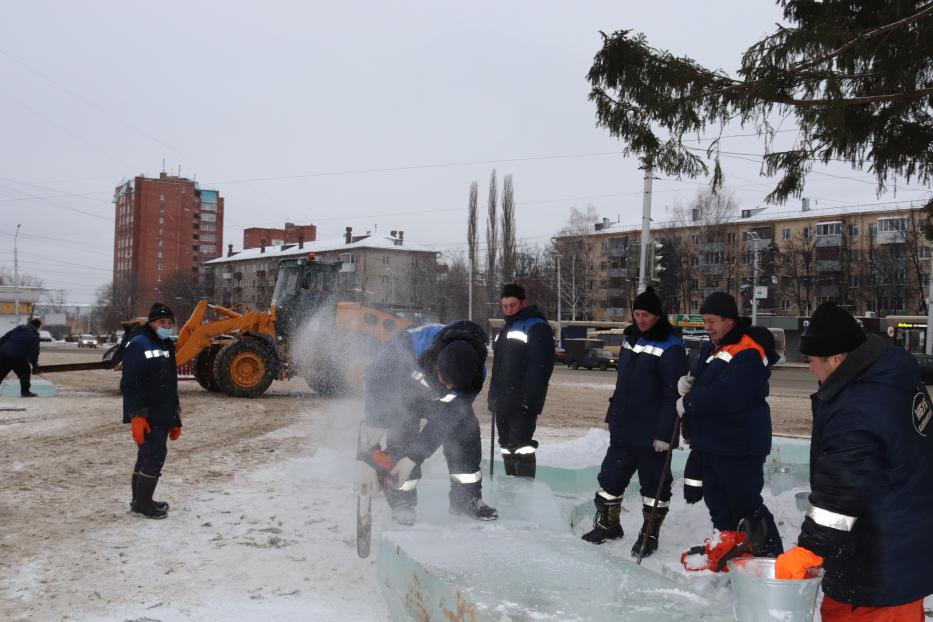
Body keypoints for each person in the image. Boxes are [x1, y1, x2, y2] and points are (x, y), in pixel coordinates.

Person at [775, 303, 933, 621]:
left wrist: (810, 547)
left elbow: (842, 490)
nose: (809, 369)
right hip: (907, 549)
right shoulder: (894, 375)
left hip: (874, 569)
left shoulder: (856, 408)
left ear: (836, 359)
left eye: (811, 361)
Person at [677, 291, 783, 571]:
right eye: (705, 321)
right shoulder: (714, 347)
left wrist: (688, 401)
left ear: (729, 321)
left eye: (712, 321)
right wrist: (689, 382)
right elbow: (706, 381)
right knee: (719, 504)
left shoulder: (747, 351)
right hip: (714, 442)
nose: (707, 326)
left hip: (739, 443)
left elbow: (729, 395)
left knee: (745, 503)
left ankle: (770, 560)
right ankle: (731, 552)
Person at [581, 287, 687, 558]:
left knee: (654, 488)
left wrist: (666, 434)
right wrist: (614, 416)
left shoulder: (671, 346)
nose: (640, 319)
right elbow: (624, 384)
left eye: (646, 315)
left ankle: (649, 534)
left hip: (653, 434)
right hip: (624, 426)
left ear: (657, 316)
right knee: (609, 478)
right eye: (637, 314)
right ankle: (608, 525)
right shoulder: (629, 338)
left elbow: (672, 394)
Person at [359, 320, 497, 525]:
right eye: (444, 379)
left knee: (465, 431)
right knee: (402, 433)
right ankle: (401, 500)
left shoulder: (477, 375)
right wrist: (373, 431)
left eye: (453, 385)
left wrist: (414, 457)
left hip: (438, 405)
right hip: (404, 396)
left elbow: (446, 421)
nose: (446, 386)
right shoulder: (410, 345)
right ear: (438, 361)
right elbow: (375, 379)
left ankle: (465, 499)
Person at [121, 303, 183, 519]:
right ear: (151, 323)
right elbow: (130, 383)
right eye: (161, 322)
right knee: (153, 455)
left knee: (149, 454)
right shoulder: (139, 344)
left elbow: (169, 382)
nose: (166, 326)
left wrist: (176, 414)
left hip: (164, 410)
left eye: (169, 322)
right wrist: (136, 414)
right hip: (147, 412)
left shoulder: (165, 344)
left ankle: (140, 500)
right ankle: (143, 503)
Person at [487, 283, 555, 478]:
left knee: (521, 446)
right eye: (505, 306)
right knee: (506, 446)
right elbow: (499, 367)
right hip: (503, 400)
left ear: (523, 303)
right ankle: (511, 486)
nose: (509, 310)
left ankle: (524, 490)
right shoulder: (505, 327)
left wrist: (529, 400)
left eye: (513, 305)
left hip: (523, 402)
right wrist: (493, 395)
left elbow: (540, 368)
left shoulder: (536, 326)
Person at [0, 318, 42, 397]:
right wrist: (34, 363)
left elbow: (3, 339)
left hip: (3, 354)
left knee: (1, 373)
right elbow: (34, 351)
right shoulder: (34, 336)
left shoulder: (17, 329)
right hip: (18, 357)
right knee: (25, 373)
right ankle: (25, 392)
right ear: (38, 327)